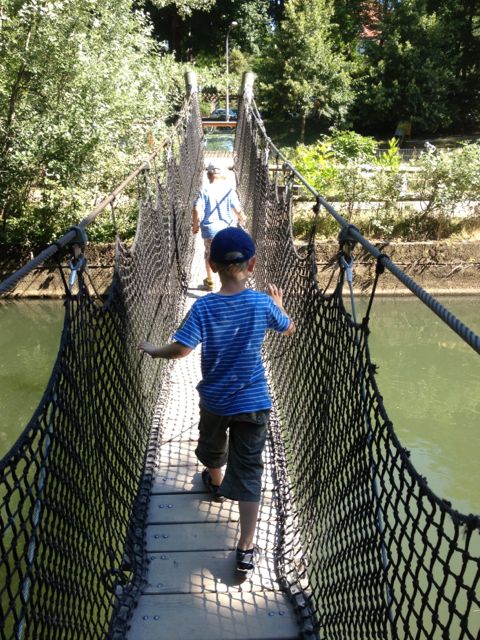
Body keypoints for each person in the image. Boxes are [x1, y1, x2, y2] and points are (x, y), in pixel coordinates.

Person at [138, 227, 295, 575]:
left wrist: (154, 350)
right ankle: (246, 547)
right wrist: (278, 304)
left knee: (211, 445)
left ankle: (217, 482)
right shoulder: (262, 303)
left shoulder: (204, 307)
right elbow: (288, 328)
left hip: (216, 400)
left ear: (211, 264)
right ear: (252, 264)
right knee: (250, 470)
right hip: (254, 403)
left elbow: (181, 350)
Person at [192, 162, 245, 291]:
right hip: (227, 231)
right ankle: (230, 281)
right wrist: (242, 218)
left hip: (210, 231)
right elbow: (237, 210)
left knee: (209, 254)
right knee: (229, 254)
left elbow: (196, 209)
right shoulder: (229, 191)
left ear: (209, 175)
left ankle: (210, 281)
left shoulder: (204, 191)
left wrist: (195, 225)